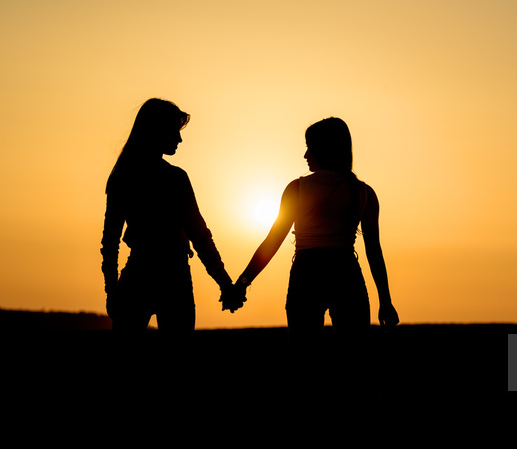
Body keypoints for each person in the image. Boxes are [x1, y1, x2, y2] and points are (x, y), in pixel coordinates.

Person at [221, 117, 399, 349]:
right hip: (346, 275)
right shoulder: (363, 192)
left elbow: (272, 241)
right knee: (356, 359)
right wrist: (385, 301)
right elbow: (373, 251)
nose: (305, 155)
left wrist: (243, 282)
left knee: (304, 359)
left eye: (309, 147)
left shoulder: (296, 188)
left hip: (307, 276)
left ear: (323, 149)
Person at [100, 98, 244, 338]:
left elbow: (110, 240)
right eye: (174, 132)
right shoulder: (174, 178)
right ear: (157, 131)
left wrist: (112, 289)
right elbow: (200, 236)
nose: (179, 139)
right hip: (172, 281)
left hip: (139, 277)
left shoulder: (123, 175)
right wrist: (225, 284)